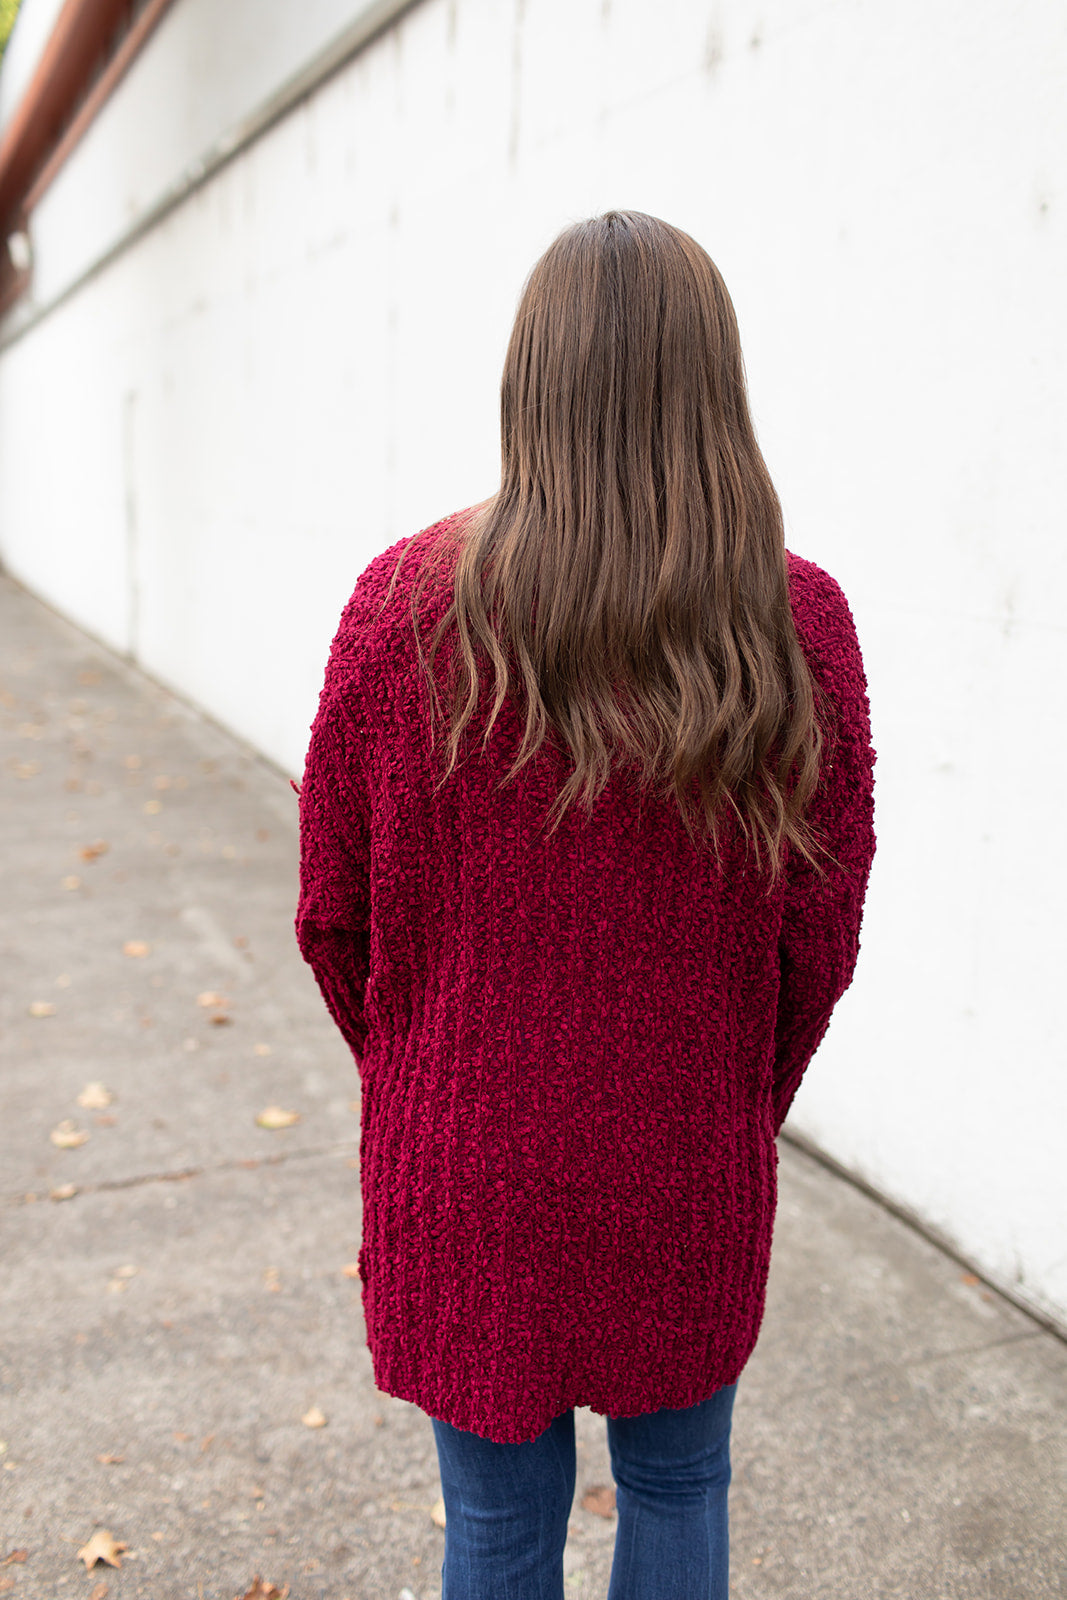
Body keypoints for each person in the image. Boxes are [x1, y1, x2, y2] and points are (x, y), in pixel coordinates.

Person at [295, 210, 876, 1600]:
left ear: (527, 384)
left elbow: (334, 915)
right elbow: (822, 939)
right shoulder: (796, 625)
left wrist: (429, 1075)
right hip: (683, 1159)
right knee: (678, 1485)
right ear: (712, 389)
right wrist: (731, 1093)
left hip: (467, 1169)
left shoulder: (400, 610)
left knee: (497, 1530)